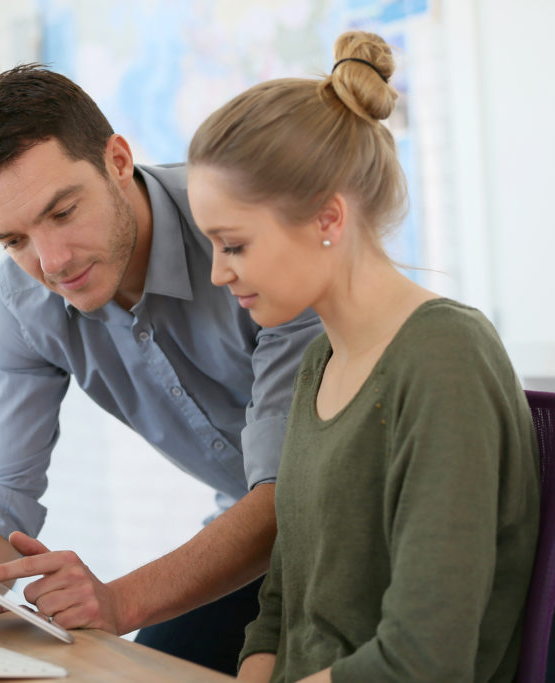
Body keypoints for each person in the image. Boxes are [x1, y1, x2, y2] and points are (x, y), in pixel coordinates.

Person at [0, 63, 323, 673]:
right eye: (12, 240)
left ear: (118, 160)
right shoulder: (22, 296)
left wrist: (117, 601)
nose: (52, 261)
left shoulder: (241, 232)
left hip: (360, 518)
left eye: (62, 212)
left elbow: (291, 491)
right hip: (259, 540)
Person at [183, 31, 539, 681]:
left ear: (327, 218)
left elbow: (425, 660)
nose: (216, 273)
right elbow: (279, 608)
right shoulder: (320, 360)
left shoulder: (446, 361)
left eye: (232, 244)